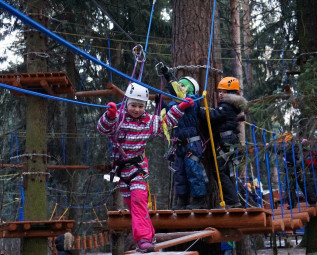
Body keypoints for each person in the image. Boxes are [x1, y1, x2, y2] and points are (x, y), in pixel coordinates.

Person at [97, 82, 194, 252]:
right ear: (126, 103)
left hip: (137, 168)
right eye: (133, 105)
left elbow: (167, 122)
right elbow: (103, 129)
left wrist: (181, 107)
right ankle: (149, 235)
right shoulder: (119, 119)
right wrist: (110, 115)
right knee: (133, 205)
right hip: (121, 170)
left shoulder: (148, 121)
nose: (136, 109)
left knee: (138, 201)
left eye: (140, 106)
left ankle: (142, 240)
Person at [157, 68, 208, 209]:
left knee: (193, 169)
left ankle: (199, 199)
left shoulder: (193, 102)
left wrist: (169, 77)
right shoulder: (175, 104)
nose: (180, 87)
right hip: (179, 144)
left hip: (192, 143)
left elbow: (179, 94)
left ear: (190, 89)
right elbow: (167, 115)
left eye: (183, 85)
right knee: (179, 172)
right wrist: (160, 104)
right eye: (179, 84)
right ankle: (182, 200)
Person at [203, 77, 247, 208]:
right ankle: (232, 201)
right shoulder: (232, 107)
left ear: (232, 93)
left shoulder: (226, 106)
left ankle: (232, 201)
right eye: (220, 91)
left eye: (224, 91)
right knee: (226, 171)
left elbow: (213, 117)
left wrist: (199, 111)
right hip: (228, 140)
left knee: (220, 171)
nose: (220, 94)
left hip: (226, 141)